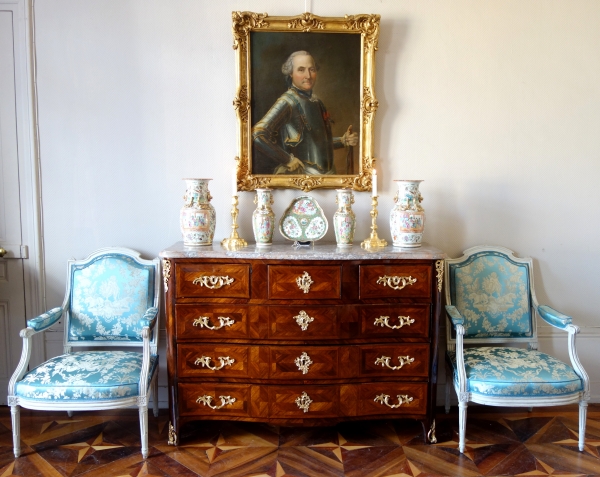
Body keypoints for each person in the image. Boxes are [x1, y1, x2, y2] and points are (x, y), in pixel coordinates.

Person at [252, 51, 358, 175]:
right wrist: (287, 159)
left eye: (311, 69)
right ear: (291, 73)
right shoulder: (287, 101)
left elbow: (317, 143)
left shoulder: (316, 101)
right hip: (301, 177)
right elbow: (257, 134)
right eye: (301, 70)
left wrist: (343, 140)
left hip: (328, 176)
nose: (308, 75)